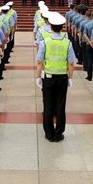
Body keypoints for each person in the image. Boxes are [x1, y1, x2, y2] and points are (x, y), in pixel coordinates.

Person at [36, 12, 75, 142]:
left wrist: (38, 76)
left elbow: (39, 61)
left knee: (48, 106)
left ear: (50, 26)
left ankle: (49, 133)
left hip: (48, 77)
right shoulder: (67, 43)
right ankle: (58, 134)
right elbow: (71, 62)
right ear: (62, 27)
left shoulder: (44, 42)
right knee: (60, 106)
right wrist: (70, 78)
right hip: (62, 77)